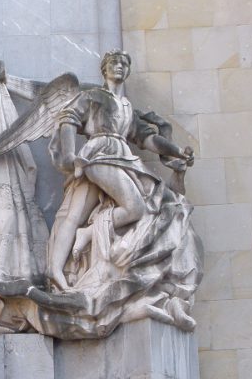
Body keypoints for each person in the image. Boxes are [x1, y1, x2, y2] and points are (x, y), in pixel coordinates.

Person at [46, 49, 194, 291]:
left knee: (75, 214)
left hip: (122, 157)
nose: (119, 66)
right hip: (99, 155)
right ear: (104, 69)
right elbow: (69, 117)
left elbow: (147, 139)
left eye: (124, 64)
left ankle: (67, 256)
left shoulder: (126, 107)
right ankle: (70, 253)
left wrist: (178, 151)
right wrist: (70, 156)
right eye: (114, 62)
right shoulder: (93, 96)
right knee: (134, 208)